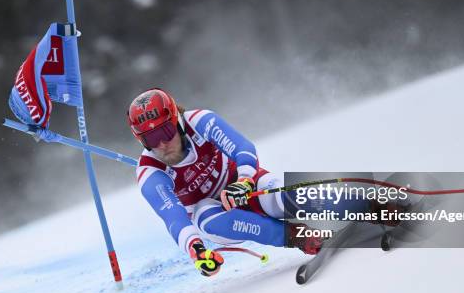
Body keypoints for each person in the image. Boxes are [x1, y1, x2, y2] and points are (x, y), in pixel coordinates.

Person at [127, 88, 326, 277]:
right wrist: (196, 250)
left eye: (166, 132)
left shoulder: (199, 121)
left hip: (243, 185)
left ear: (176, 122)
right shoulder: (149, 171)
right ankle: (299, 237)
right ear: (141, 141)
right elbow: (173, 217)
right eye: (151, 139)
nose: (162, 144)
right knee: (205, 214)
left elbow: (242, 147)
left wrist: (244, 180)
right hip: (217, 217)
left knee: (280, 199)